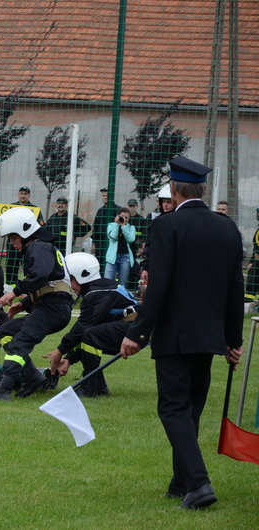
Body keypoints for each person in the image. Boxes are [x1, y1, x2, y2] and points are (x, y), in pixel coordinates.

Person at [120, 156, 243, 510]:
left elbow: (158, 287)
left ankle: (200, 483)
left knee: (173, 409)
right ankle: (182, 481)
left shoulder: (167, 226)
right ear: (201, 189)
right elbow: (236, 289)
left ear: (173, 190)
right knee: (189, 410)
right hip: (208, 337)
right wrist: (233, 340)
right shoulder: (227, 227)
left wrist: (137, 334)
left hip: (175, 334)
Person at [0, 207, 73, 401]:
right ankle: (32, 376)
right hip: (51, 306)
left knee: (19, 344)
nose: (12, 244)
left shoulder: (39, 247)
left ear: (25, 232)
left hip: (52, 309)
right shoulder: (41, 246)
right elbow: (48, 283)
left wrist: (15, 293)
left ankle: (2, 391)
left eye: (13, 238)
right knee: (4, 332)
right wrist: (24, 304)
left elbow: (40, 276)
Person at [42, 252, 138, 397]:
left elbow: (83, 327)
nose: (69, 284)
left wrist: (60, 350)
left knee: (91, 335)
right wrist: (69, 358)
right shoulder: (97, 290)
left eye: (70, 279)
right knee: (91, 334)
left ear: (82, 276)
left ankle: (90, 387)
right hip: (134, 327)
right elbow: (86, 328)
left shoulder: (97, 293)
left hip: (137, 329)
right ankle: (98, 386)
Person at [3, 186, 44, 285]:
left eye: (25, 194)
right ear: (18, 195)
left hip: (27, 242)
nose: (23, 196)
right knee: (11, 263)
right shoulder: (11, 207)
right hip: (13, 241)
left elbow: (40, 224)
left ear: (29, 196)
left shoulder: (35, 209)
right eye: (21, 193)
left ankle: (27, 284)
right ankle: (10, 284)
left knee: (28, 262)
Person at [104, 207, 135, 287]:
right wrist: (117, 224)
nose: (124, 219)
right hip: (112, 257)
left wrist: (124, 226)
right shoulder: (111, 225)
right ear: (118, 216)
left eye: (127, 218)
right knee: (107, 281)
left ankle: (120, 298)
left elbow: (130, 239)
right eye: (122, 217)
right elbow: (113, 237)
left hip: (125, 257)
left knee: (122, 283)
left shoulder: (131, 228)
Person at [92, 188, 119, 269]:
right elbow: (95, 227)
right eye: (103, 196)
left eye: (107, 196)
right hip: (100, 243)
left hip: (112, 243)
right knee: (99, 265)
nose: (105, 197)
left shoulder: (118, 210)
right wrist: (93, 243)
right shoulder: (100, 211)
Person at [245, 207, 259, 307]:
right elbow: (255, 247)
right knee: (250, 284)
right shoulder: (258, 230)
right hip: (256, 263)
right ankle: (248, 307)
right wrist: (252, 261)